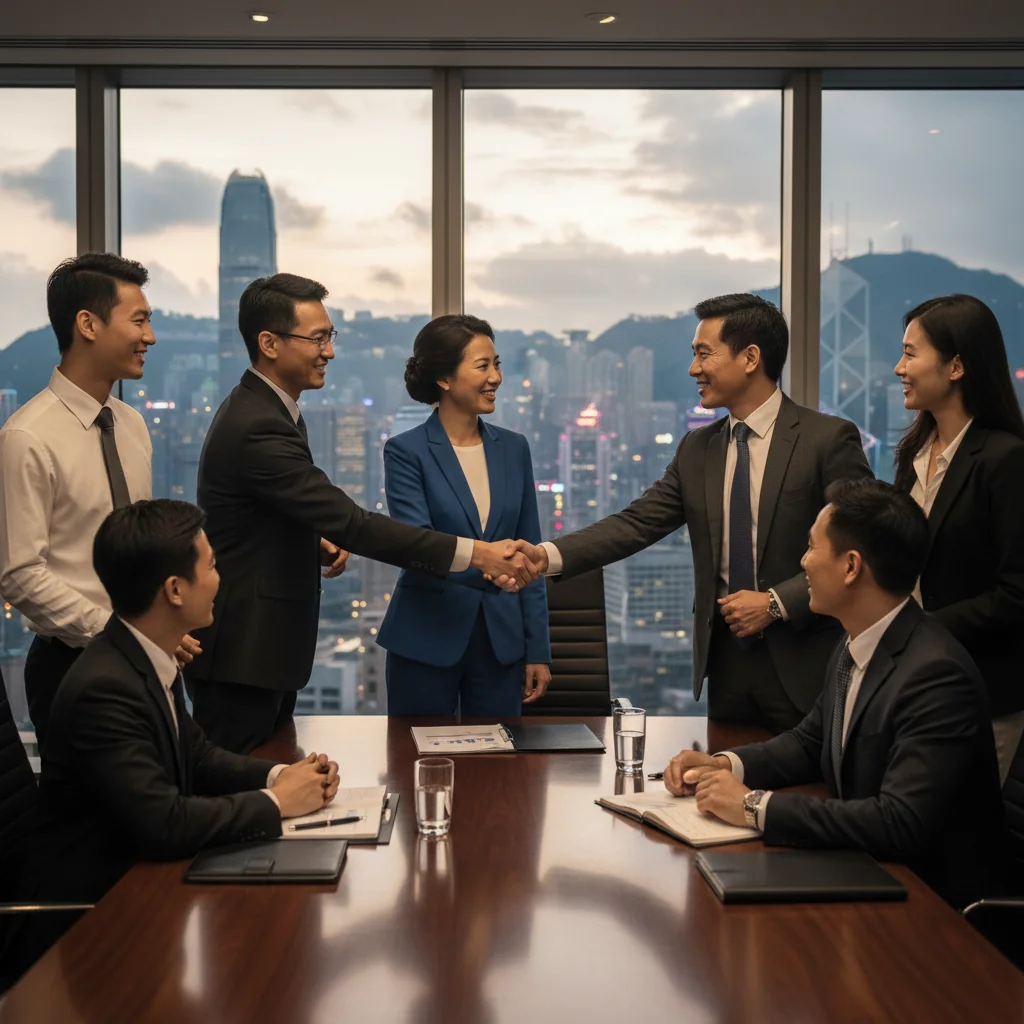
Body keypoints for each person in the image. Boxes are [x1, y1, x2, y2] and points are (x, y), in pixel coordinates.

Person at [186, 274, 539, 752]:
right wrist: (478, 555)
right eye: (318, 338)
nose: (329, 350)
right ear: (269, 343)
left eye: (330, 336)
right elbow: (354, 523)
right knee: (242, 788)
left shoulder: (271, 411)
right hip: (243, 652)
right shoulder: (259, 423)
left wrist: (310, 540)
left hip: (259, 650)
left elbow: (263, 514)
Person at [499, 294, 872, 733]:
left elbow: (859, 538)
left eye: (703, 354)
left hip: (807, 661)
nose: (694, 369)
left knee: (807, 793)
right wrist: (546, 556)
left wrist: (775, 603)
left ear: (751, 357)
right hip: (727, 664)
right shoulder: (699, 448)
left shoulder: (826, 439)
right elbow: (636, 522)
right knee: (724, 784)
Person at [18, 500, 340, 972]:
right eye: (210, 566)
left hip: (144, 887)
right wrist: (279, 803)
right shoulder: (105, 688)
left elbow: (200, 756)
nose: (218, 577)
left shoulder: (141, 654)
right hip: (99, 923)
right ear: (174, 590)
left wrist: (280, 775)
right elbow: (164, 824)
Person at [663, 479, 1004, 908]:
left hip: (935, 909)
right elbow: (811, 743)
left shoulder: (935, 674)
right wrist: (723, 765)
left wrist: (752, 806)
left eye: (811, 547)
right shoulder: (854, 641)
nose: (802, 562)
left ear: (851, 566)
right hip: (865, 872)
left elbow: (899, 823)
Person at [0, 253, 199, 747]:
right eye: (139, 320)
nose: (149, 337)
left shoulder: (130, 424)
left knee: (169, 800)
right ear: (88, 324)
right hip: (74, 664)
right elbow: (21, 573)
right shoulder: (27, 436)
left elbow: (144, 547)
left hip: (151, 656)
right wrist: (120, 634)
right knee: (91, 822)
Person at [376, 315, 551, 715]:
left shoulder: (514, 448)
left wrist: (538, 648)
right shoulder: (406, 451)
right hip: (426, 636)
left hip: (501, 643)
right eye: (482, 366)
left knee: (499, 770)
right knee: (415, 762)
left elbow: (531, 550)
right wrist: (491, 567)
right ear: (444, 378)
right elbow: (416, 544)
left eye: (497, 364)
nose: (496, 377)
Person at [893, 294, 1024, 784]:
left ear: (956, 367)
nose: (898, 367)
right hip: (916, 685)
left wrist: (919, 629)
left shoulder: (1005, 459)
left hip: (982, 691)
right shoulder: (913, 453)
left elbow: (1015, 594)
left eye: (911, 353)